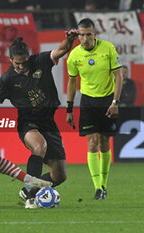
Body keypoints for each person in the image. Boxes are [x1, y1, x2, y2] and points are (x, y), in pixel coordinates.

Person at [0, 31, 79, 209]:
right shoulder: (7, 79)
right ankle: (31, 195)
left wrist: (69, 39)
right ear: (10, 60)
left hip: (48, 122)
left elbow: (62, 49)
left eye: (24, 63)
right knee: (39, 146)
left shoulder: (41, 61)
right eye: (17, 63)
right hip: (27, 122)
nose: (21, 67)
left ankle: (29, 191)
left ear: (29, 57)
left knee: (59, 176)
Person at [66, 18, 123, 200]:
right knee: (92, 143)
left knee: (104, 143)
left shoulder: (108, 48)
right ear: (78, 35)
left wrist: (115, 102)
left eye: (88, 34)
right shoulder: (74, 55)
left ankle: (104, 185)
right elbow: (72, 81)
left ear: (94, 34)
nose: (84, 38)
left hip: (107, 101)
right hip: (88, 102)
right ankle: (98, 187)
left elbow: (118, 76)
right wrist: (69, 108)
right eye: (81, 35)